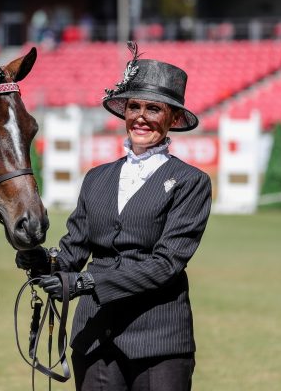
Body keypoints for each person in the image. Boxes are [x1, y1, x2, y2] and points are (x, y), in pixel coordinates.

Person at [16, 42, 212, 391]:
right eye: (133, 106)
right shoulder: (96, 178)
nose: (140, 116)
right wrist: (44, 263)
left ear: (174, 118)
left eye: (154, 108)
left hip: (158, 340)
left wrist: (87, 283)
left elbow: (166, 264)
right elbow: (73, 253)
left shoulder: (192, 182)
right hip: (95, 337)